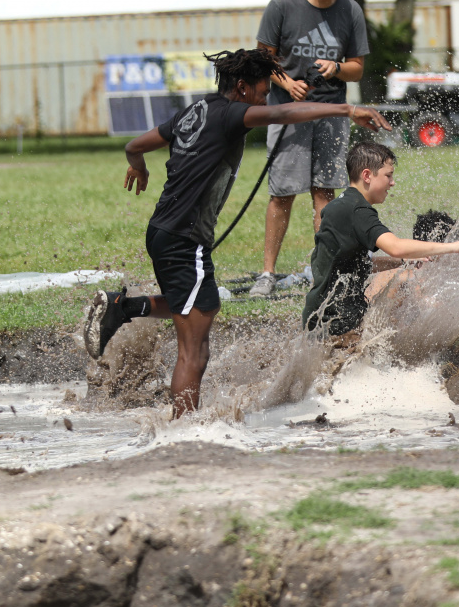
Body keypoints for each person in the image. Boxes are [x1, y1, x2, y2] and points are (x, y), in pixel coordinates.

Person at [82, 48, 391, 418]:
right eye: (262, 92)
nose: (264, 100)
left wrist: (138, 166)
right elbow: (282, 113)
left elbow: (134, 146)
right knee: (194, 351)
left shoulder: (193, 111)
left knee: (202, 305)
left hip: (163, 231)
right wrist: (347, 110)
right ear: (242, 87)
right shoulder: (231, 113)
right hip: (185, 240)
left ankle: (124, 307)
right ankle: (184, 430)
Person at [249, 0, 370, 298]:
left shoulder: (350, 10)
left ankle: (323, 272)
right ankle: (267, 274)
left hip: (331, 113)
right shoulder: (283, 5)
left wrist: (336, 67)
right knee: (282, 193)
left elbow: (357, 68)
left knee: (325, 193)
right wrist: (288, 83)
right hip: (287, 111)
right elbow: (262, 58)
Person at [303, 143, 459, 337]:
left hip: (322, 317)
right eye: (388, 175)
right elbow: (395, 246)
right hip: (337, 322)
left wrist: (403, 261)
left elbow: (354, 266)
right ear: (367, 175)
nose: (392, 183)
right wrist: (453, 246)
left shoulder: (343, 204)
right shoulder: (358, 210)